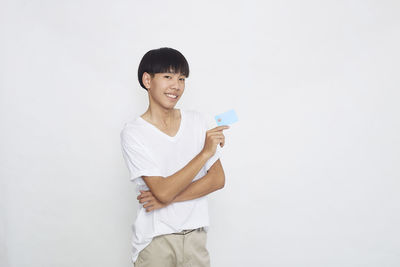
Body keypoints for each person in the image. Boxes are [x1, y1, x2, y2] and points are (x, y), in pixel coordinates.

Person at [120, 47, 229, 267]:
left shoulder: (200, 121)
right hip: (155, 242)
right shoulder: (133, 132)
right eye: (168, 76)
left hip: (196, 239)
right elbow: (162, 190)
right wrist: (205, 153)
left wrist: (166, 201)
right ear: (147, 80)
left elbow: (217, 180)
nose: (176, 86)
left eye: (182, 78)